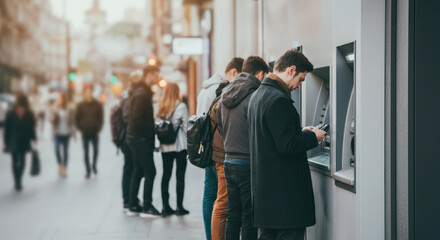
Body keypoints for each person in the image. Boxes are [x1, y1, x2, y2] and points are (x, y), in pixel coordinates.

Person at [247, 49, 326, 240]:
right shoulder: (278, 100)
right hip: (285, 202)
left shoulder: (258, 96)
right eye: (301, 80)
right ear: (291, 70)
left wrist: (300, 133)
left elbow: (273, 138)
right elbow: (286, 145)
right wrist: (313, 137)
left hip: (267, 199)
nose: (299, 86)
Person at [217, 56, 269, 240]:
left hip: (229, 161)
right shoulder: (255, 95)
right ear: (261, 73)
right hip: (247, 163)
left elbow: (221, 127)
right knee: (249, 219)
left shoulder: (225, 93)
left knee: (233, 216)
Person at [196, 57, 243, 240]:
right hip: (217, 150)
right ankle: (214, 235)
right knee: (220, 199)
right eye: (239, 76)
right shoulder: (218, 91)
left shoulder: (205, 90)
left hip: (208, 148)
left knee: (210, 194)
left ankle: (211, 235)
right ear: (233, 72)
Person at [126, 65, 161, 218]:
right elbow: (137, 118)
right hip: (140, 139)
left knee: (139, 170)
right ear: (149, 75)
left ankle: (133, 203)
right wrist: (145, 136)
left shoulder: (141, 91)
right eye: (156, 75)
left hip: (136, 138)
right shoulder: (142, 94)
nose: (157, 77)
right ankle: (146, 205)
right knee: (150, 171)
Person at [157, 83, 189, 216]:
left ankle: (165, 207)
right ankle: (179, 207)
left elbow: (157, 124)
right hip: (179, 146)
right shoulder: (181, 106)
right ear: (177, 92)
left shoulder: (161, 108)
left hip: (165, 146)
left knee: (166, 175)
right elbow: (188, 127)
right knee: (180, 176)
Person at [3, 93, 37, 191]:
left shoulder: (11, 112)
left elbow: (7, 129)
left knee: (14, 161)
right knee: (22, 160)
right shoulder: (29, 113)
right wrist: (34, 138)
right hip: (24, 140)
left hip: (14, 140)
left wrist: (5, 140)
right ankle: (19, 181)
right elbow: (32, 128)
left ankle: (17, 181)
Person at [210, 80, 230, 240]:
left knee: (222, 201)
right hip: (222, 157)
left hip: (221, 156)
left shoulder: (218, 103)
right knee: (222, 203)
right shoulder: (220, 105)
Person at [120, 70, 142, 212]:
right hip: (128, 137)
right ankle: (128, 199)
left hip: (127, 136)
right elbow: (128, 117)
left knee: (131, 167)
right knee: (130, 167)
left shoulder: (128, 94)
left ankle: (129, 197)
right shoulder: (129, 95)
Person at [75, 86, 104, 179]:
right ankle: (88, 170)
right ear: (84, 93)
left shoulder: (97, 104)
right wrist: (80, 129)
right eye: (86, 92)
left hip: (95, 131)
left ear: (92, 92)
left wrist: (99, 129)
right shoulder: (80, 105)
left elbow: (101, 118)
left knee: (95, 150)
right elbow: (76, 118)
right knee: (86, 152)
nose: (88, 93)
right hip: (85, 131)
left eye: (90, 92)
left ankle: (94, 165)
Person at [51, 92, 75, 178]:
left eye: (60, 98)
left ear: (63, 99)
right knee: (56, 149)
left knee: (65, 152)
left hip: (66, 133)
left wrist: (74, 134)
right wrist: (52, 134)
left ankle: (64, 168)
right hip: (57, 133)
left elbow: (72, 122)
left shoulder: (69, 109)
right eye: (58, 98)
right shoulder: (55, 108)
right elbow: (52, 123)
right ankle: (60, 164)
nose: (58, 100)